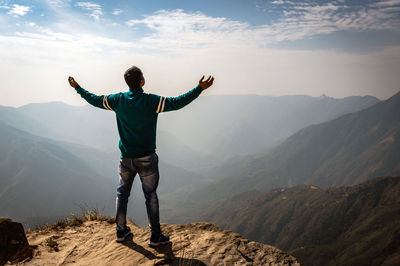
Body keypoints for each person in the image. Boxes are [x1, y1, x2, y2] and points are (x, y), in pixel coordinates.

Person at [67, 66, 214, 246]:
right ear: (142, 81)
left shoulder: (118, 100)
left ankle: (121, 232)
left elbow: (95, 100)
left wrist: (77, 87)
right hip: (146, 159)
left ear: (127, 82)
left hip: (126, 158)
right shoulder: (150, 101)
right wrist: (199, 89)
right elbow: (177, 103)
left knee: (122, 194)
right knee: (150, 196)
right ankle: (155, 237)